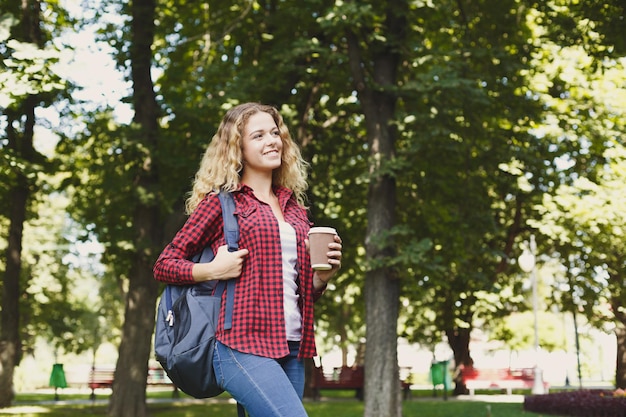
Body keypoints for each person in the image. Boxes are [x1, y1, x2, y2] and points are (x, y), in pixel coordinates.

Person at [153, 102, 342, 417]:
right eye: (258, 136)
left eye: (274, 132)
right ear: (237, 149)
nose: (271, 141)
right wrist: (212, 269)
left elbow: (296, 290)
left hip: (293, 346)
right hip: (241, 343)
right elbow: (165, 263)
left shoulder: (295, 211)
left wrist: (321, 279)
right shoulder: (222, 205)